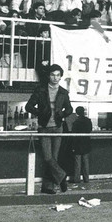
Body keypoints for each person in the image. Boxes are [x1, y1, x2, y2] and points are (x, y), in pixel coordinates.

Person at [25, 63, 73, 194]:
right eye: (53, 75)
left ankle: (48, 187)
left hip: (58, 128)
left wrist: (62, 114)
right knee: (48, 157)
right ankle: (62, 176)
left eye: (58, 75)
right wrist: (40, 112)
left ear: (61, 77)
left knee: (54, 159)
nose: (55, 77)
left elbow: (69, 109)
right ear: (48, 76)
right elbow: (28, 106)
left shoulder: (63, 92)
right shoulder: (40, 90)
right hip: (44, 127)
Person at [70, 106, 93, 186]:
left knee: (77, 163)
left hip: (77, 144)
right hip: (86, 143)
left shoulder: (76, 122)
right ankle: (86, 179)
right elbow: (89, 130)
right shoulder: (88, 121)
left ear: (77, 113)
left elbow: (73, 134)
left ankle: (77, 179)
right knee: (86, 162)